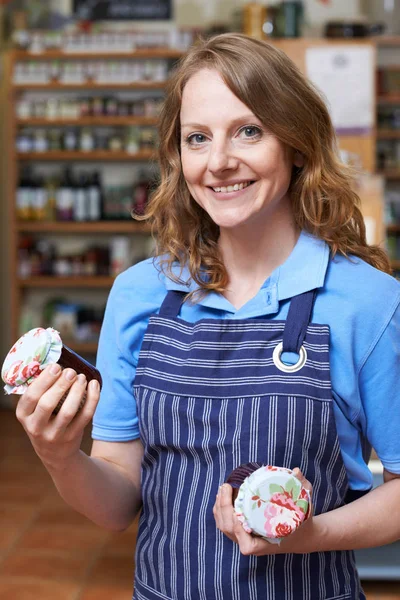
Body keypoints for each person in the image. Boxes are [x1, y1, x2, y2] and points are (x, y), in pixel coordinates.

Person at [15, 33, 400, 600]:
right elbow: (117, 504)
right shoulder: (139, 293)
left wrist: (311, 534)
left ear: (296, 144)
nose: (219, 162)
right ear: (178, 156)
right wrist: (60, 456)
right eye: (198, 138)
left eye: (249, 130)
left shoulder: (369, 301)